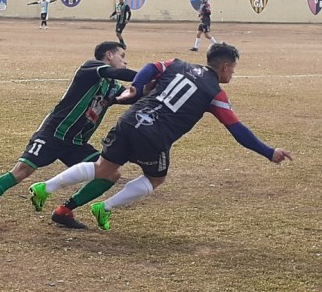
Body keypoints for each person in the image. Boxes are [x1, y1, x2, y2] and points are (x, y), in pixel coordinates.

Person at [29, 42, 292, 231]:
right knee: (156, 178)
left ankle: (45, 187)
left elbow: (151, 66)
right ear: (224, 67)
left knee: (103, 168)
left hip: (130, 119)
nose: (232, 74)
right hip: (154, 135)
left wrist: (135, 89)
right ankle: (104, 208)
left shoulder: (177, 64)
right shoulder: (215, 93)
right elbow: (237, 130)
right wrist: (269, 152)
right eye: (233, 69)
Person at [0, 41, 137, 238]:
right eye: (122, 56)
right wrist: (150, 74)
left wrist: (154, 87)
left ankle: (64, 211)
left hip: (76, 143)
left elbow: (131, 96)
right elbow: (121, 74)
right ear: (109, 55)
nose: (125, 62)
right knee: (22, 171)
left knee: (110, 174)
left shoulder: (112, 87)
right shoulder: (90, 68)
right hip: (53, 134)